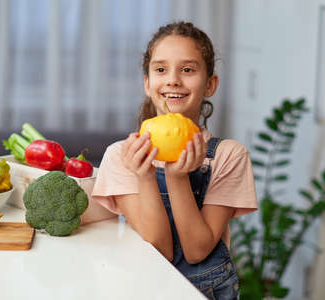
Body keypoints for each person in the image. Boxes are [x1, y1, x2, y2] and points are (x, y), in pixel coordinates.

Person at [92, 21, 257, 299]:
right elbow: (158, 249)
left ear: (210, 84)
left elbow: (197, 251)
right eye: (160, 69)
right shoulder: (123, 156)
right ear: (147, 83)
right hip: (144, 289)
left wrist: (177, 178)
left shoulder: (229, 156)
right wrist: (145, 176)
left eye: (188, 70)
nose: (172, 80)